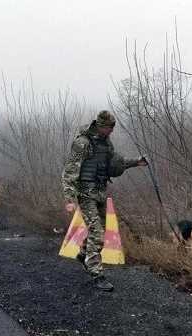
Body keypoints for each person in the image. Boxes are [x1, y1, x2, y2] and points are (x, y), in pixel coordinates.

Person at [61, 110, 148, 291]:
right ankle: (96, 273)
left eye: (112, 128)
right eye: (109, 128)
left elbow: (115, 163)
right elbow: (69, 172)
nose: (111, 131)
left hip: (100, 192)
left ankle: (84, 253)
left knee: (99, 230)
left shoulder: (106, 143)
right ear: (101, 126)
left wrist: (136, 162)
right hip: (85, 195)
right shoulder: (83, 143)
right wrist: (69, 198)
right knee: (98, 234)